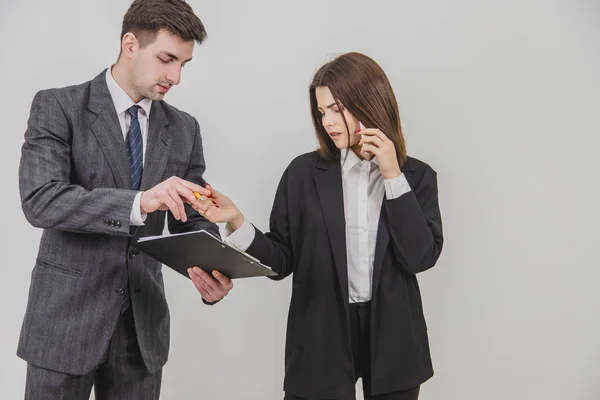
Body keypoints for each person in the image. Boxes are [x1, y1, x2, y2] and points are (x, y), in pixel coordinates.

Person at [192, 52, 444, 400]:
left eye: (336, 108)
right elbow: (281, 262)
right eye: (322, 111)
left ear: (370, 102)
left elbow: (420, 257)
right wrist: (236, 220)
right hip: (320, 334)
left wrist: (391, 175)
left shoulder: (416, 177)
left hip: (394, 337)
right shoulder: (302, 174)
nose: (328, 121)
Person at [17, 1, 233, 398]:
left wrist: (211, 268)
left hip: (141, 332)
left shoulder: (184, 129)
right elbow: (41, 199)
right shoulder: (58, 106)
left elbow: (191, 215)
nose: (176, 77)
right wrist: (139, 203)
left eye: (184, 63)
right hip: (65, 323)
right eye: (167, 59)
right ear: (130, 43)